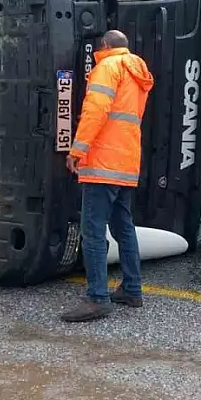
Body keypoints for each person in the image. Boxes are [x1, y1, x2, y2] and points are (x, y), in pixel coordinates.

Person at [60, 30, 154, 323]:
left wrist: (77, 150)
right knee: (123, 227)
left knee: (93, 232)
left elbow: (95, 112)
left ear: (103, 46)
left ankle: (97, 298)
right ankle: (132, 288)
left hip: (101, 162)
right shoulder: (137, 70)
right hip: (125, 163)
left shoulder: (106, 67)